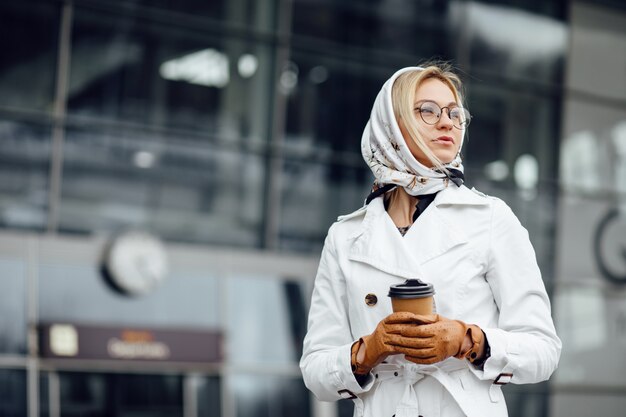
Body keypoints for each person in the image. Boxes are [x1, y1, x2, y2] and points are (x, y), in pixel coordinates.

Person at [299, 63, 561, 417]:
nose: (447, 122)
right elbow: (315, 372)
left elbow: (543, 350)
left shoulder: (491, 218)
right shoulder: (346, 235)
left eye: (456, 114)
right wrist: (370, 348)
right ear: (391, 124)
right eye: (428, 110)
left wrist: (467, 340)